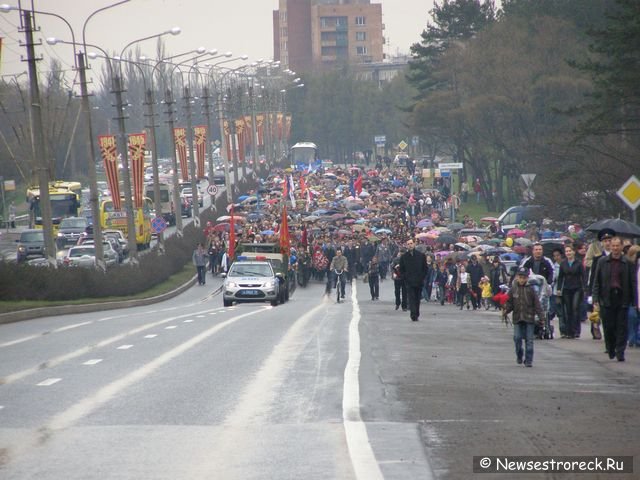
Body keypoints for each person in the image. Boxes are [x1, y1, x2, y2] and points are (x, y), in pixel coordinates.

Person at [592, 236, 637, 362]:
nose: (615, 248)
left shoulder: (628, 262)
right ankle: (610, 347)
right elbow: (597, 281)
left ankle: (620, 351)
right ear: (610, 247)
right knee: (609, 326)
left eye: (618, 246)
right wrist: (595, 297)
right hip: (607, 297)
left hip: (622, 297)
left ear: (622, 247)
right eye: (613, 246)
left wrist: (635, 300)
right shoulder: (602, 261)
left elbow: (633, 282)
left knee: (621, 326)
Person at [503, 267, 545, 367]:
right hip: (517, 318)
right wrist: (505, 310)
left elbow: (537, 304)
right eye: (520, 277)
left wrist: (541, 317)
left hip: (529, 318)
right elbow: (509, 303)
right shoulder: (513, 289)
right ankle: (519, 354)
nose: (522, 279)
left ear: (527, 278)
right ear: (517, 277)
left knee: (529, 340)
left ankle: (529, 360)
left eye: (524, 277)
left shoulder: (531, 289)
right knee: (517, 338)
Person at [556, 244, 586, 339]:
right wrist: (559, 289)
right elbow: (560, 277)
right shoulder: (563, 264)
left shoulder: (579, 263)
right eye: (567, 251)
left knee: (575, 308)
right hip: (566, 289)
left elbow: (583, 276)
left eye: (570, 251)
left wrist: (585, 288)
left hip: (577, 288)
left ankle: (576, 330)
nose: (568, 253)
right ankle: (569, 331)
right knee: (568, 310)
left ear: (573, 252)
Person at [399, 239, 428, 321]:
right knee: (411, 298)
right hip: (409, 281)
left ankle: (417, 313)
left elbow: (425, 268)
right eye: (408, 244)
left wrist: (422, 277)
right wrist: (405, 277)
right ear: (406, 246)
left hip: (419, 281)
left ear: (414, 244)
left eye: (411, 243)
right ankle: (413, 314)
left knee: (417, 298)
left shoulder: (421, 255)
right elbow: (401, 269)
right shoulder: (404, 257)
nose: (410, 245)